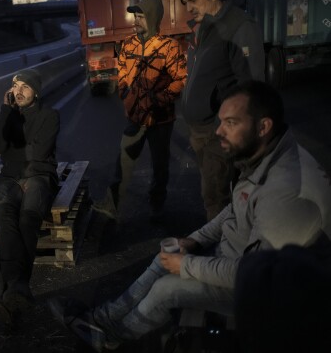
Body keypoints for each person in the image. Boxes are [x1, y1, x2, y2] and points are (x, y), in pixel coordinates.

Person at [49, 81, 331, 352]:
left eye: (230, 123)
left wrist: (187, 265)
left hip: (263, 292)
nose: (219, 131)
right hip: (235, 259)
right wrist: (193, 242)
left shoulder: (288, 193)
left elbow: (253, 274)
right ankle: (104, 319)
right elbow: (232, 212)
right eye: (220, 121)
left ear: (263, 126)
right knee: (164, 259)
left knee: (165, 289)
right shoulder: (262, 154)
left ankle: (110, 338)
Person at [179, 0, 265, 221]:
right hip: (201, 131)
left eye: (193, 0)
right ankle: (229, 243)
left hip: (219, 131)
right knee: (216, 191)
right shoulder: (203, 27)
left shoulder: (238, 26)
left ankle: (224, 252)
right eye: (185, 2)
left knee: (215, 195)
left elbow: (252, 86)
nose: (189, 7)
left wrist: (223, 123)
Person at [96, 0, 187, 220]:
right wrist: (127, 99)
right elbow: (123, 77)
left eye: (141, 16)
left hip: (161, 119)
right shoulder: (128, 45)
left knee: (160, 166)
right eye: (135, 16)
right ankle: (111, 204)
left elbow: (181, 80)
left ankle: (157, 204)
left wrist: (159, 99)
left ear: (154, 18)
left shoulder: (170, 47)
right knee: (123, 161)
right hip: (135, 118)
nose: (136, 20)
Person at [0, 69, 60, 324]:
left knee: (28, 221)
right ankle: (18, 289)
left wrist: (11, 150)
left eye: (25, 87)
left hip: (39, 176)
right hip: (10, 178)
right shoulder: (9, 116)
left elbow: (39, 152)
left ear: (36, 92)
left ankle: (10, 291)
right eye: (15, 86)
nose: (18, 91)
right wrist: (5, 113)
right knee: (5, 217)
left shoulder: (50, 115)